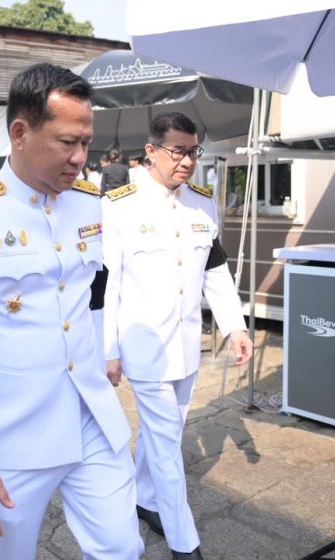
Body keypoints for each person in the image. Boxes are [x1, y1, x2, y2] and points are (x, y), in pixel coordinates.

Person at [0, 63, 143, 560]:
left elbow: (88, 298)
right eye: (67, 142)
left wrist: (106, 352)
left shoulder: (87, 203)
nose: (80, 157)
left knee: (122, 547)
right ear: (20, 133)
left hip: (90, 417)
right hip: (13, 435)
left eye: (86, 142)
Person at [101, 112, 253, 560]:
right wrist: (108, 349)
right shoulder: (119, 205)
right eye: (178, 151)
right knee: (167, 443)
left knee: (164, 433)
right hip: (143, 346)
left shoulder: (202, 203)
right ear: (151, 151)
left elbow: (214, 271)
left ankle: (144, 498)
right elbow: (107, 285)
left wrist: (235, 325)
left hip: (186, 346)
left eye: (193, 152)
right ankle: (184, 540)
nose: (187, 161)